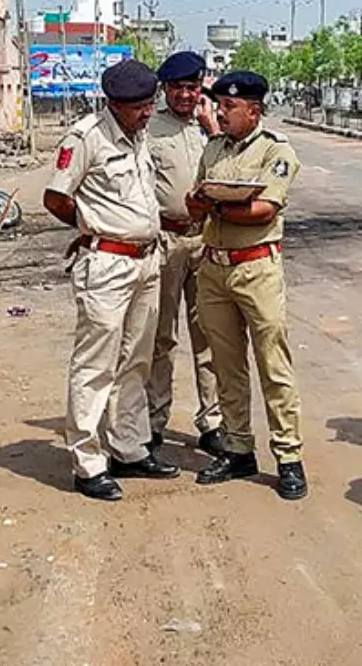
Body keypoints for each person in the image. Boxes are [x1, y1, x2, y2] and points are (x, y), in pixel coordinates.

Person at [44, 59, 180, 502]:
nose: (146, 113)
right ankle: (87, 462)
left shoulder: (140, 136)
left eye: (149, 104)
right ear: (113, 104)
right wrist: (92, 227)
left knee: (137, 359)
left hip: (146, 262)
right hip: (107, 265)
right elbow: (55, 197)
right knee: (95, 364)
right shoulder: (87, 137)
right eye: (138, 107)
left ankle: (129, 446)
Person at [185, 70, 307, 501]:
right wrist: (209, 205)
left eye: (230, 106)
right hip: (214, 268)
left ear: (253, 110)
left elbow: (262, 210)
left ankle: (288, 456)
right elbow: (193, 203)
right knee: (226, 363)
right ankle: (238, 448)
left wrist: (213, 206)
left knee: (273, 363)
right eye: (219, 104)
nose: (220, 111)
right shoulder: (214, 148)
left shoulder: (276, 151)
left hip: (256, 269)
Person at [145, 51, 226, 458]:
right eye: (177, 88)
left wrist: (213, 129)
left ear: (201, 89)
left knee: (209, 333)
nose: (185, 95)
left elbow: (231, 173)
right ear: (165, 90)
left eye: (192, 88)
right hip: (166, 241)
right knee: (161, 335)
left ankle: (212, 421)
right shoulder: (149, 129)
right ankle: (154, 421)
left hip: (206, 241)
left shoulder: (212, 129)